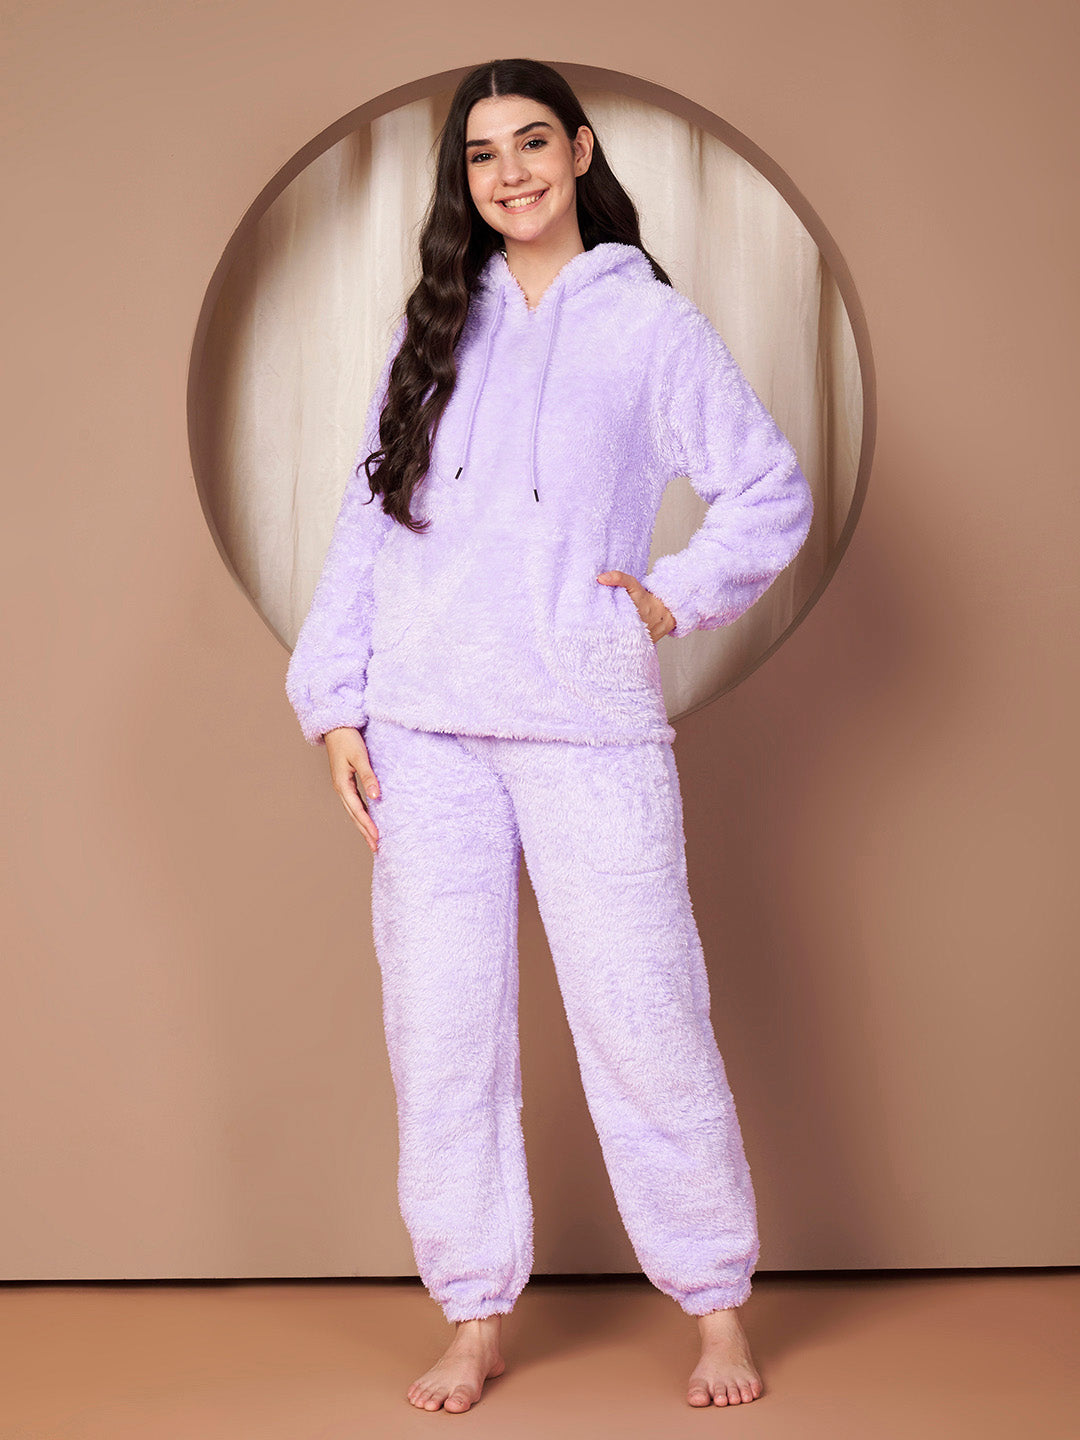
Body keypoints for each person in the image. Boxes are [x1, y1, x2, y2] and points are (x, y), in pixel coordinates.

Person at [286, 57, 814, 1414]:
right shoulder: (434, 332)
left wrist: (671, 596)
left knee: (646, 1011)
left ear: (580, 152)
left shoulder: (650, 326)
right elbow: (366, 522)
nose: (510, 172)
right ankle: (473, 1316)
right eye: (482, 155)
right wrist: (335, 702)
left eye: (532, 143)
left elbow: (766, 491)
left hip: (583, 718)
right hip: (424, 725)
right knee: (442, 1029)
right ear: (462, 182)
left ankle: (715, 1307)